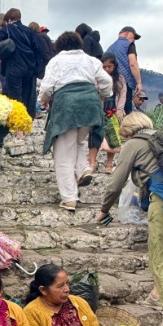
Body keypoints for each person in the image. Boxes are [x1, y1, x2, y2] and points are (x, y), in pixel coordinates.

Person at [96, 112, 163, 326]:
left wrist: (104, 209)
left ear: (127, 131)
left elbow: (116, 182)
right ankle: (157, 295)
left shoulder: (135, 143)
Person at [39, 31, 112, 212]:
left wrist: (43, 100)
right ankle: (83, 169)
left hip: (67, 106)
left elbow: (47, 87)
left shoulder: (56, 61)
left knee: (63, 153)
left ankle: (69, 198)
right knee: (78, 141)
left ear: (60, 46)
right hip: (90, 105)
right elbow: (107, 82)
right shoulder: (91, 60)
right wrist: (102, 94)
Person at [0, 8, 40, 117]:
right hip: (30, 68)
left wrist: (3, 50)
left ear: (9, 19)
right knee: (28, 97)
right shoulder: (29, 31)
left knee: (15, 97)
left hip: (14, 67)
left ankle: (17, 127)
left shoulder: (7, 29)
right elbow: (38, 49)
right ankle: (27, 121)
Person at [98, 51, 127, 173]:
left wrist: (120, 110)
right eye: (104, 67)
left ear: (114, 66)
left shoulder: (119, 79)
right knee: (97, 136)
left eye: (109, 67)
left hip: (113, 110)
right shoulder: (98, 78)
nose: (107, 69)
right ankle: (92, 162)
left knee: (112, 138)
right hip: (101, 109)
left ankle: (109, 164)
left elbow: (123, 95)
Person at [106, 27, 143, 114]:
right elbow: (133, 63)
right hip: (125, 84)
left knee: (111, 112)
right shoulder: (129, 45)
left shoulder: (109, 49)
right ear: (126, 34)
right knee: (126, 112)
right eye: (133, 37)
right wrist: (139, 83)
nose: (134, 40)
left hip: (110, 84)